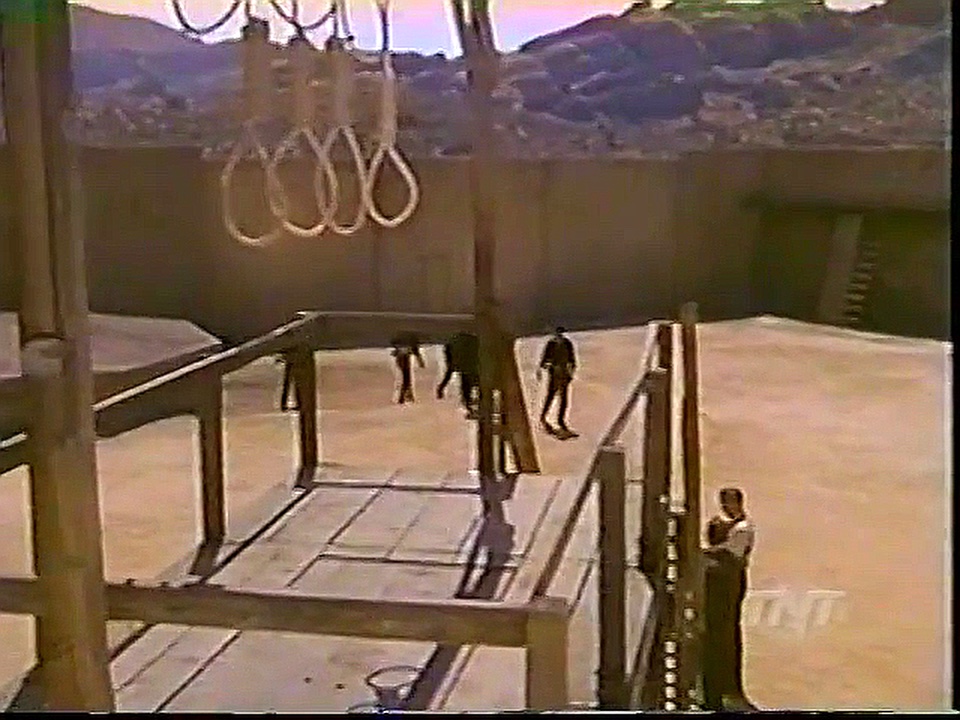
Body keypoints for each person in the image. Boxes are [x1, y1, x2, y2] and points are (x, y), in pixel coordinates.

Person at [702, 487, 756, 710]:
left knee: (726, 630)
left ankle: (726, 686)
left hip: (730, 582)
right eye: (723, 502)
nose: (725, 507)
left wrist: (701, 553)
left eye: (729, 503)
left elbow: (727, 553)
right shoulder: (723, 524)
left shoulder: (743, 529)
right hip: (719, 583)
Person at [537, 326, 576, 434]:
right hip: (554, 372)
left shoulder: (567, 343)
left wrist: (571, 373)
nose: (559, 335)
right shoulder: (552, 343)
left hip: (563, 373)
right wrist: (542, 367)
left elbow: (572, 359)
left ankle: (560, 420)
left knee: (563, 399)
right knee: (551, 396)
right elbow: (545, 358)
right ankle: (543, 417)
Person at [436, 332, 479, 418]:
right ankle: (474, 407)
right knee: (474, 386)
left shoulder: (454, 344)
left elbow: (449, 372)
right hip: (474, 367)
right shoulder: (474, 342)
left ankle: (471, 407)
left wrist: (441, 388)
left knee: (466, 388)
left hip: (467, 367)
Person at [391, 332, 425, 405]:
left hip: (401, 359)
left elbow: (394, 343)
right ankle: (403, 398)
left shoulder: (407, 339)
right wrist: (421, 362)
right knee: (406, 379)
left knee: (406, 378)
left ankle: (407, 396)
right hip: (404, 359)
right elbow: (416, 352)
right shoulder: (413, 341)